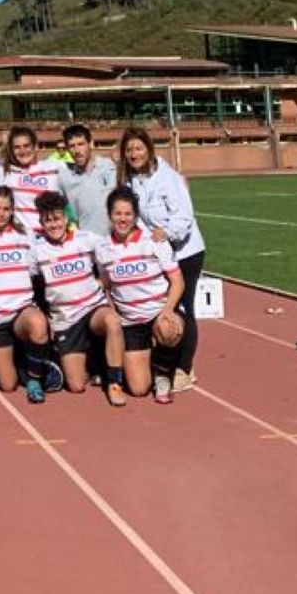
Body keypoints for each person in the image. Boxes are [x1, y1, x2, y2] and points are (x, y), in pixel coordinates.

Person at [118, 127, 205, 393]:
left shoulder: (168, 178)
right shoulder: (129, 181)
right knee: (162, 308)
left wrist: (166, 233)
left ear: (149, 149)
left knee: (183, 308)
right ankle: (164, 364)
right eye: (130, 150)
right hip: (157, 255)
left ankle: (184, 368)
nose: (134, 154)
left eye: (139, 148)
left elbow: (184, 216)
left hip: (185, 252)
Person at [31, 191, 128, 407]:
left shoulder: (86, 239)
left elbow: (113, 247)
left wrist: (103, 281)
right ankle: (83, 359)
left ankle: (114, 382)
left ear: (66, 218)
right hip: (65, 319)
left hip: (93, 309)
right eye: (48, 220)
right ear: (41, 223)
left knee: (112, 321)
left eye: (57, 218)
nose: (54, 224)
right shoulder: (36, 250)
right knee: (76, 386)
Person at [95, 186, 186, 403]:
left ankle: (164, 375)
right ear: (110, 216)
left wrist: (167, 311)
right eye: (117, 213)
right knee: (138, 389)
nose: (123, 219)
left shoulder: (154, 241)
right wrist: (113, 313)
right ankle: (149, 363)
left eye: (128, 214)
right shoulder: (103, 248)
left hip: (157, 312)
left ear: (135, 216)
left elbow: (177, 281)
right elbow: (106, 285)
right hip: (130, 322)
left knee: (167, 329)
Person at [0, 186, 51, 404]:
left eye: (6, 208)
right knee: (8, 384)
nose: (1, 213)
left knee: (38, 323)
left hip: (21, 310)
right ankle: (19, 363)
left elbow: (33, 270)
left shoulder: (25, 235)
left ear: (13, 210)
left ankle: (34, 379)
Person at [56, 125, 115, 237]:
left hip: (112, 241)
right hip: (84, 243)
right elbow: (62, 211)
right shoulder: (64, 177)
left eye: (81, 144)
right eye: (72, 146)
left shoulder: (108, 167)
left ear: (91, 144)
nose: (77, 150)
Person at [0, 126, 62, 232]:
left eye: (26, 145)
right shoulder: (7, 173)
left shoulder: (55, 168)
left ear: (36, 146)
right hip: (23, 239)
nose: (22, 151)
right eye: (17, 147)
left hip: (51, 238)